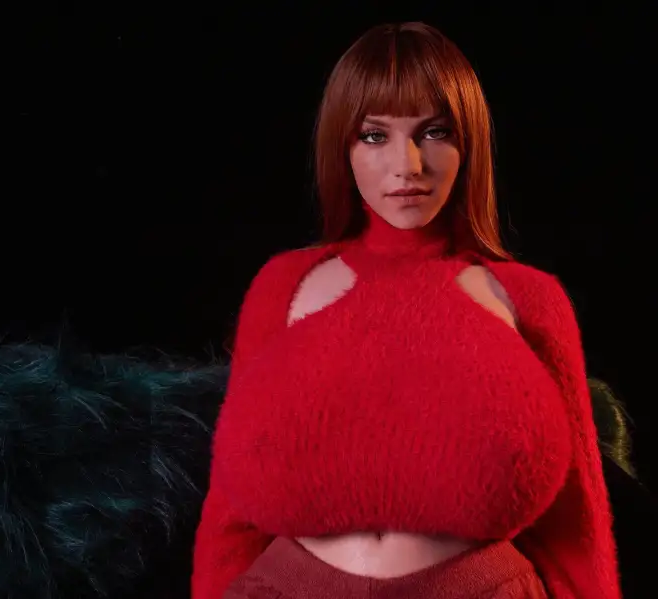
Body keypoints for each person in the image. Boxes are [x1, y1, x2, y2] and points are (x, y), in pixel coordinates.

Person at [191, 22, 621, 599]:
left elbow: (576, 519)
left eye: (435, 132)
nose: (408, 164)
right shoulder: (283, 286)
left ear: (468, 144)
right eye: (374, 135)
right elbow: (229, 514)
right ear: (342, 146)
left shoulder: (527, 296)